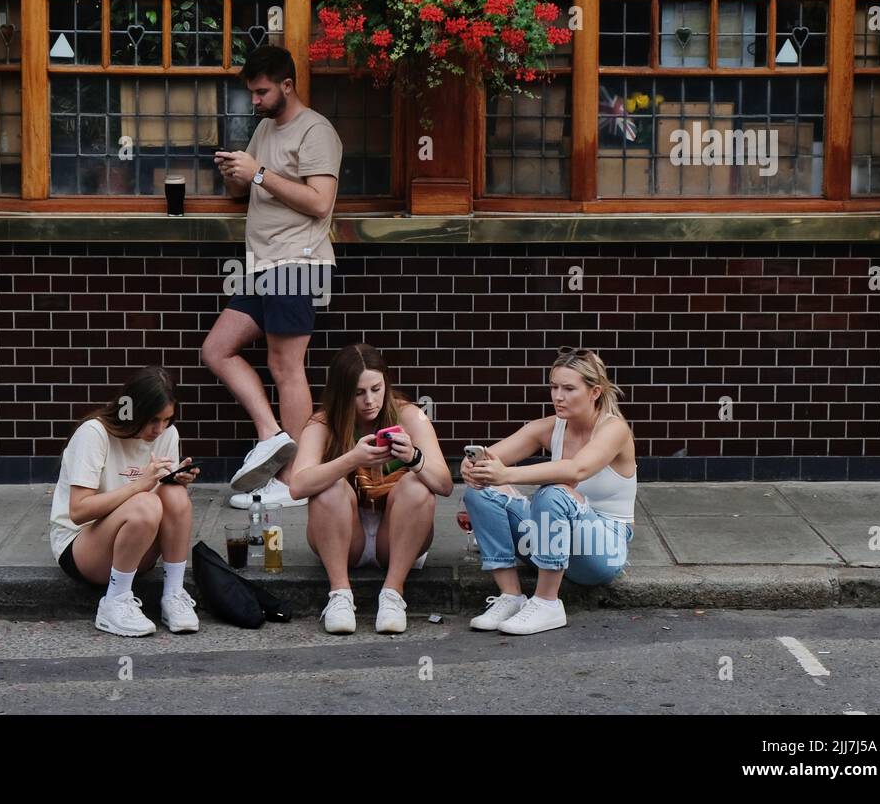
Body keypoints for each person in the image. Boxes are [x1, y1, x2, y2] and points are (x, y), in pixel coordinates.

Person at [201, 45, 343, 512]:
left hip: (297, 263)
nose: (255, 101)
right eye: (252, 93)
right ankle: (271, 434)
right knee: (216, 350)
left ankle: (294, 478)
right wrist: (235, 175)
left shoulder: (317, 131)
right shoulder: (264, 128)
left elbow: (321, 202)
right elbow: (250, 189)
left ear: (287, 85)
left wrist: (258, 172)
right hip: (262, 264)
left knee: (286, 368)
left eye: (262, 92)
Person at [461, 347, 637, 636]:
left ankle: (546, 602)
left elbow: (576, 470)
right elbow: (492, 456)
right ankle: (511, 597)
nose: (558, 396)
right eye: (554, 387)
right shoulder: (549, 427)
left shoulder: (614, 429)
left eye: (569, 388)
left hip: (601, 550)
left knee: (554, 491)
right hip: (549, 541)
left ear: (594, 392)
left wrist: (507, 474)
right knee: (480, 492)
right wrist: (474, 468)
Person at [289, 343, 452, 634]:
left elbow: (444, 484)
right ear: (342, 392)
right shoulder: (323, 423)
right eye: (358, 393)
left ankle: (393, 593)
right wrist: (351, 459)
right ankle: (339, 594)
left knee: (418, 485)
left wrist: (414, 458)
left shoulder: (410, 416)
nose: (369, 401)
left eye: (376, 389)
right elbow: (297, 486)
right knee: (328, 488)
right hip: (345, 537)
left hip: (398, 533)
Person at [48, 366, 201, 637]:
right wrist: (140, 485)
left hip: (135, 541)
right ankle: (114, 602)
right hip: (83, 546)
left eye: (167, 419)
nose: (160, 429)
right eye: (153, 420)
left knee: (174, 494)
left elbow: (164, 502)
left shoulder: (168, 434)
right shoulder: (94, 434)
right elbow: (79, 511)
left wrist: (175, 480)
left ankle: (173, 596)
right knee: (146, 503)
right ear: (133, 410)